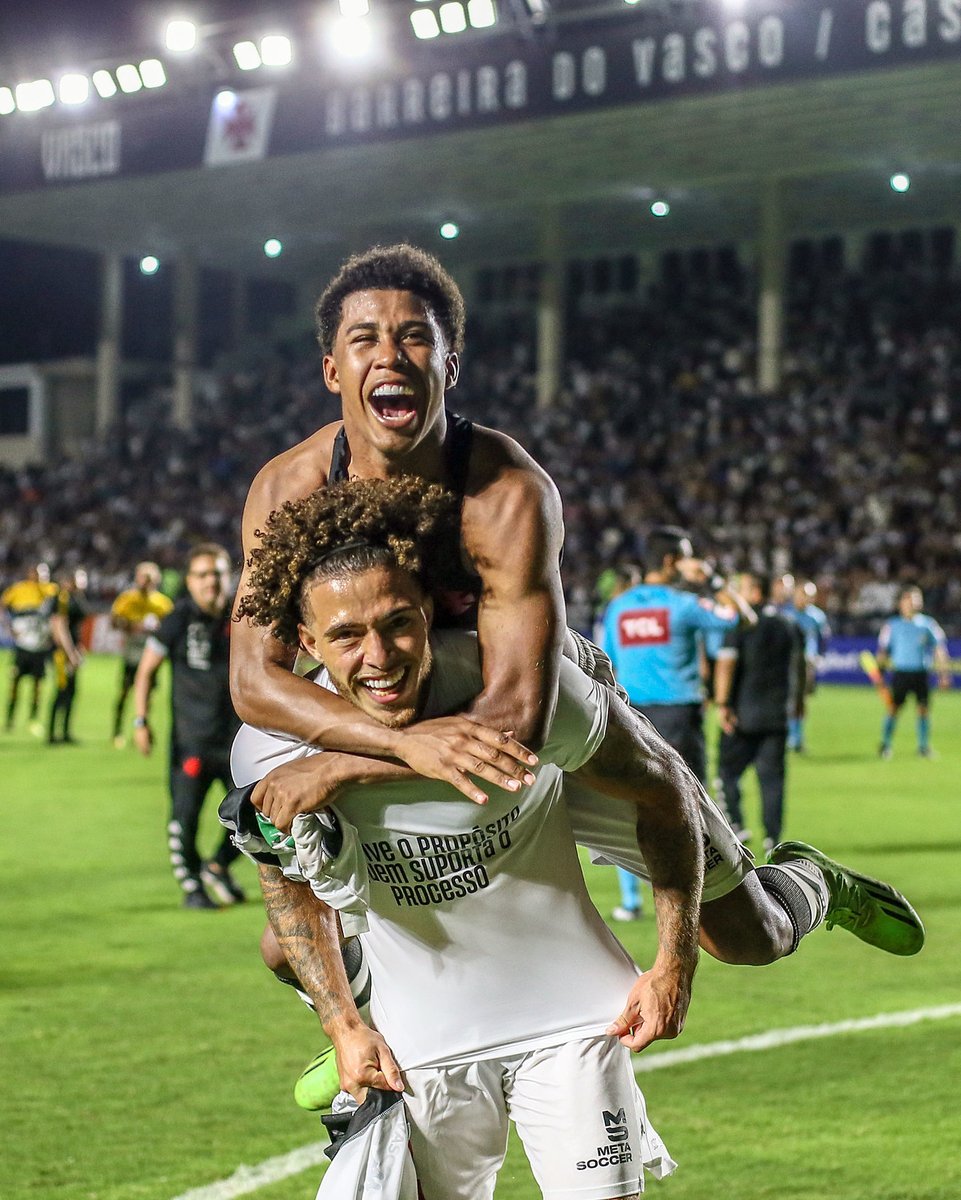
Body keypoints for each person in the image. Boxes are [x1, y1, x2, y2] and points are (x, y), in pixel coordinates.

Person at [226, 478, 925, 1197]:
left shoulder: (503, 508)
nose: (377, 654)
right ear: (307, 642)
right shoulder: (274, 738)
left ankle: (810, 881)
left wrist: (673, 961)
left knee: (751, 936)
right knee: (284, 943)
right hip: (456, 880)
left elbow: (657, 790)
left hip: (547, 754)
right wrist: (343, 1024)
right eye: (346, 636)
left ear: (428, 610)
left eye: (398, 624)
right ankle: (379, 1007)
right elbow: (288, 886)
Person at [133, 544, 246, 909]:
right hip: (191, 740)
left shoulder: (242, 616)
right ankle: (192, 888)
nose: (211, 581)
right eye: (202, 574)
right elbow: (146, 671)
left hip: (238, 741)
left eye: (217, 573)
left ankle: (218, 866)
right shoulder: (178, 618)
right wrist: (140, 720)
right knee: (185, 817)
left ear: (228, 576)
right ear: (189, 580)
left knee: (255, 814)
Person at [599, 526, 756, 788]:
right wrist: (711, 579)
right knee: (691, 798)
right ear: (671, 561)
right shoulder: (684, 605)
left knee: (641, 797)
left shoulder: (618, 607)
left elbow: (608, 663)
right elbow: (744, 617)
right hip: (679, 717)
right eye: (688, 557)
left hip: (632, 716)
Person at [714, 573, 807, 854]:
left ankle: (737, 825)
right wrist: (798, 701)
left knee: (726, 773)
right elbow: (800, 666)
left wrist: (723, 703)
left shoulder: (740, 624)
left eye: (741, 588)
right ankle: (772, 838)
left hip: (742, 715)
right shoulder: (789, 624)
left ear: (755, 592)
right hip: (777, 715)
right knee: (772, 780)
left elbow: (727, 665)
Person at [876, 586, 951, 759]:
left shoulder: (928, 624)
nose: (913, 603)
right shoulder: (892, 625)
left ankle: (923, 747)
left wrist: (944, 674)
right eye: (909, 599)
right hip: (901, 673)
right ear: (901, 603)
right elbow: (883, 650)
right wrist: (879, 671)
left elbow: (939, 649)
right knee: (893, 709)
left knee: (923, 709)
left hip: (921, 673)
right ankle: (885, 745)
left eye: (916, 599)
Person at [110, 561, 174, 748]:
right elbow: (114, 622)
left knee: (148, 695)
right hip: (132, 654)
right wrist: (134, 626)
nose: (145, 583)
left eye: (149, 579)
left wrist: (157, 629)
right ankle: (117, 731)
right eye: (143, 578)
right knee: (124, 693)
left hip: (151, 657)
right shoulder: (127, 599)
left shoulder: (163, 603)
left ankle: (142, 728)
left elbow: (170, 629)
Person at [1, 563, 59, 736]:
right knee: (15, 681)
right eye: (36, 573)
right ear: (29, 573)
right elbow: (2, 605)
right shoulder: (18, 589)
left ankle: (33, 718)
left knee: (38, 683)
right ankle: (10, 717)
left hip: (40, 645)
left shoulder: (50, 590)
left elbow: (57, 607)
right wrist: (8, 627)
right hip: (23, 645)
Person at [788, 578, 831, 753]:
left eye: (810, 595)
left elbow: (824, 638)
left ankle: (797, 737)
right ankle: (788, 735)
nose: (806, 598)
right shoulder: (786, 612)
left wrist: (820, 655)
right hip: (787, 660)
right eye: (803, 594)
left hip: (806, 661)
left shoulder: (817, 616)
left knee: (801, 698)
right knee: (787, 696)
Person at [47, 567, 88, 745]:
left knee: (71, 691)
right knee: (62, 690)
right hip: (62, 653)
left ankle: (64, 732)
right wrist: (70, 653)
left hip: (72, 650)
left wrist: (78, 648)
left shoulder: (76, 598)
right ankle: (52, 734)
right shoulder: (62, 598)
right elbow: (60, 627)